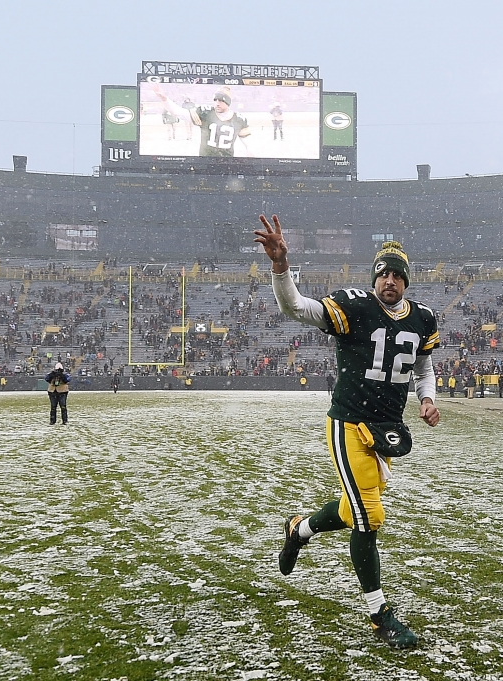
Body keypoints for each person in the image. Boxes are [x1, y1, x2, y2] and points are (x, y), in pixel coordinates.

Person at [254, 214, 440, 650]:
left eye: (397, 275)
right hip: (348, 423)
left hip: (384, 430)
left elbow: (424, 366)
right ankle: (380, 615)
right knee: (369, 517)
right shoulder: (353, 306)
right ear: (373, 277)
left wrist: (427, 398)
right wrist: (281, 267)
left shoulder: (422, 319)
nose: (389, 281)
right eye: (383, 273)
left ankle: (298, 529)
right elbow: (295, 307)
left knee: (352, 507)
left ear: (406, 282)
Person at [154, 85, 250, 157]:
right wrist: (164, 98)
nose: (217, 103)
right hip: (205, 162)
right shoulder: (206, 113)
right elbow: (178, 112)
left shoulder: (239, 119)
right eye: (215, 100)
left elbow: (248, 143)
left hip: (227, 165)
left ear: (228, 102)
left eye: (221, 100)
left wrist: (251, 153)